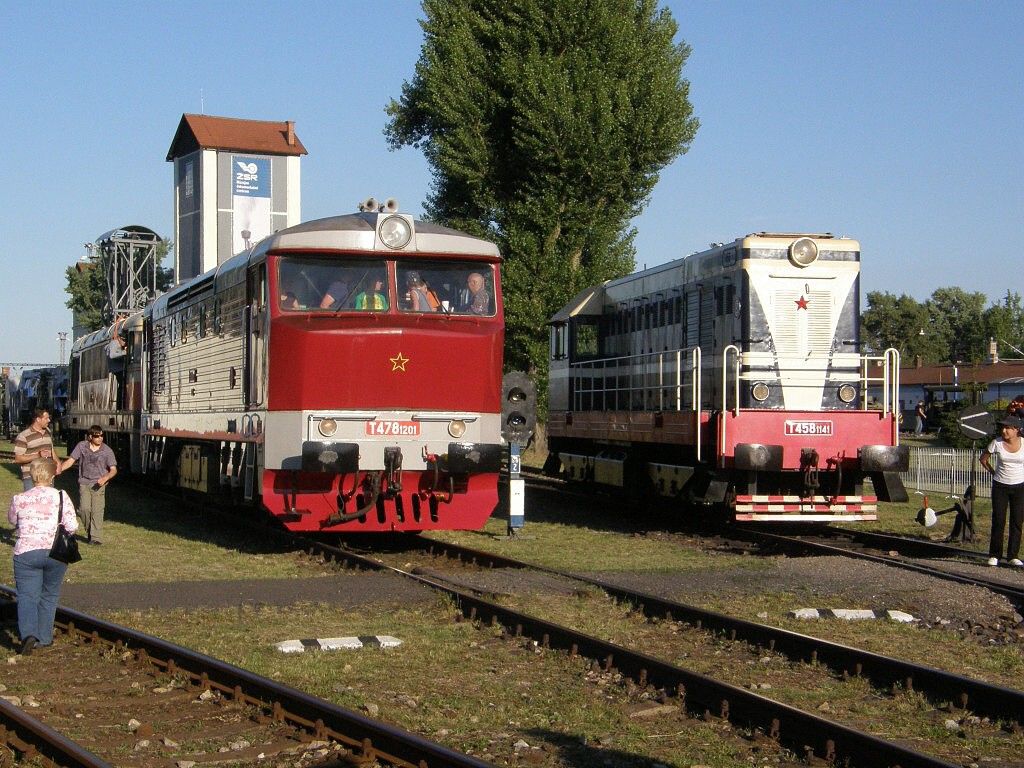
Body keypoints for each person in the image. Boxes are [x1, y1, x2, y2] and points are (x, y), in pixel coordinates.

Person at [7, 457, 79, 654]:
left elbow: (12, 520)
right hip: (56, 553)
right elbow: (72, 527)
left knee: (27, 596)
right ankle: (45, 637)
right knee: (49, 594)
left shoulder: (19, 498)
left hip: (26, 553)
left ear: (32, 474)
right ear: (53, 474)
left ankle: (29, 634)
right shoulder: (62, 496)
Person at [59, 426, 117, 546]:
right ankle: (91, 531)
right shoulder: (82, 446)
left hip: (99, 484)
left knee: (97, 511)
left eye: (101, 435)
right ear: (90, 437)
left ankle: (96, 538)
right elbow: (71, 461)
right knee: (84, 509)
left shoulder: (107, 450)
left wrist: (105, 478)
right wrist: (59, 470)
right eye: (97, 436)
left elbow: (113, 469)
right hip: (84, 482)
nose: (100, 438)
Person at [979, 414, 1024, 567]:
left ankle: (1013, 556)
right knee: (999, 520)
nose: (1004, 431)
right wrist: (993, 473)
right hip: (1000, 486)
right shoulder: (996, 443)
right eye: (1002, 427)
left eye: (1008, 428)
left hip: (1019, 487)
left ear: (1016, 429)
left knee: (1017, 521)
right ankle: (994, 554)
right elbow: (983, 459)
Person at [13, 408, 58, 492]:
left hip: (48, 475)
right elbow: (18, 459)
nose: (49, 420)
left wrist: (58, 463)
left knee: (49, 503)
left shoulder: (48, 431)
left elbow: (51, 449)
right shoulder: (23, 436)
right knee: (33, 503)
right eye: (46, 418)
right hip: (31, 477)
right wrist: (38, 455)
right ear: (38, 419)